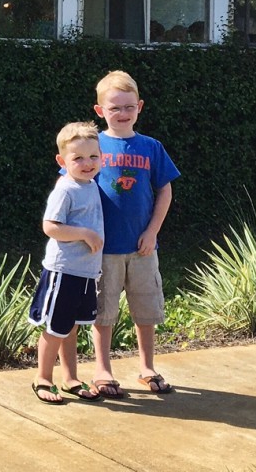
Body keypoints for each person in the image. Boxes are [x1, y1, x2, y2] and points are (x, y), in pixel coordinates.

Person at [90, 69, 181, 397]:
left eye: (129, 107)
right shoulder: (91, 145)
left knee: (145, 308)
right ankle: (102, 369)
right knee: (104, 310)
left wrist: (152, 231)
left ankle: (146, 366)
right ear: (100, 110)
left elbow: (165, 191)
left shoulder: (151, 147)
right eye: (115, 108)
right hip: (103, 248)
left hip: (142, 247)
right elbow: (70, 183)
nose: (123, 114)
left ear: (140, 106)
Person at [28, 121, 105, 404]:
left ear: (102, 157)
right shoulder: (66, 189)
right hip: (63, 271)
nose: (87, 163)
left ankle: (70, 379)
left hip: (85, 272)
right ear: (62, 161)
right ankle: (43, 378)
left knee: (71, 326)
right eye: (78, 158)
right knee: (55, 327)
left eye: (93, 157)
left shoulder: (91, 185)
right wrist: (84, 234)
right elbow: (51, 226)